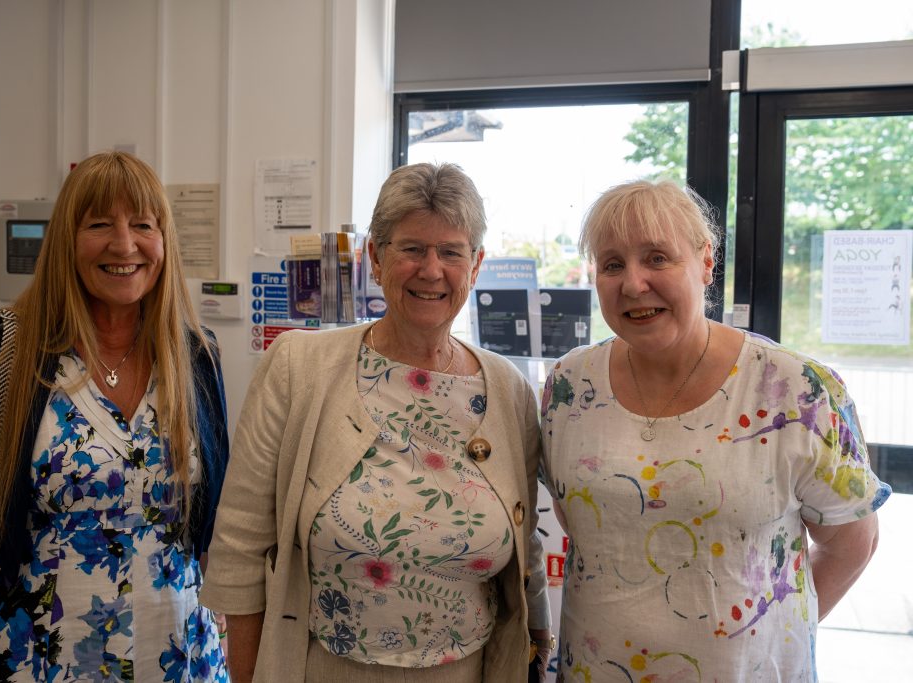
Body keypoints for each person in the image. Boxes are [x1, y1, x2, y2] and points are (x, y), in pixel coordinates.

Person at [200, 162, 552, 682]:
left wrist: (540, 645)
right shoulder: (299, 366)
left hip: (468, 671)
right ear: (375, 258)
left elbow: (526, 548)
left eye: (451, 252)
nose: (431, 270)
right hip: (323, 668)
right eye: (411, 248)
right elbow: (239, 546)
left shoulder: (508, 390)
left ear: (475, 267)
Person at [541, 179, 891, 682]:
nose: (634, 283)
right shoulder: (569, 388)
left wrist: (770, 632)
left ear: (706, 261)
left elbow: (852, 543)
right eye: (613, 264)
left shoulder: (798, 391)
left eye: (657, 258)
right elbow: (581, 527)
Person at [0, 151, 231, 681]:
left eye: (143, 225)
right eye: (99, 224)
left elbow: (219, 524)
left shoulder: (196, 355)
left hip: (181, 656)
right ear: (65, 240)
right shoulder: (5, 348)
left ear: (164, 241)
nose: (124, 245)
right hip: (36, 656)